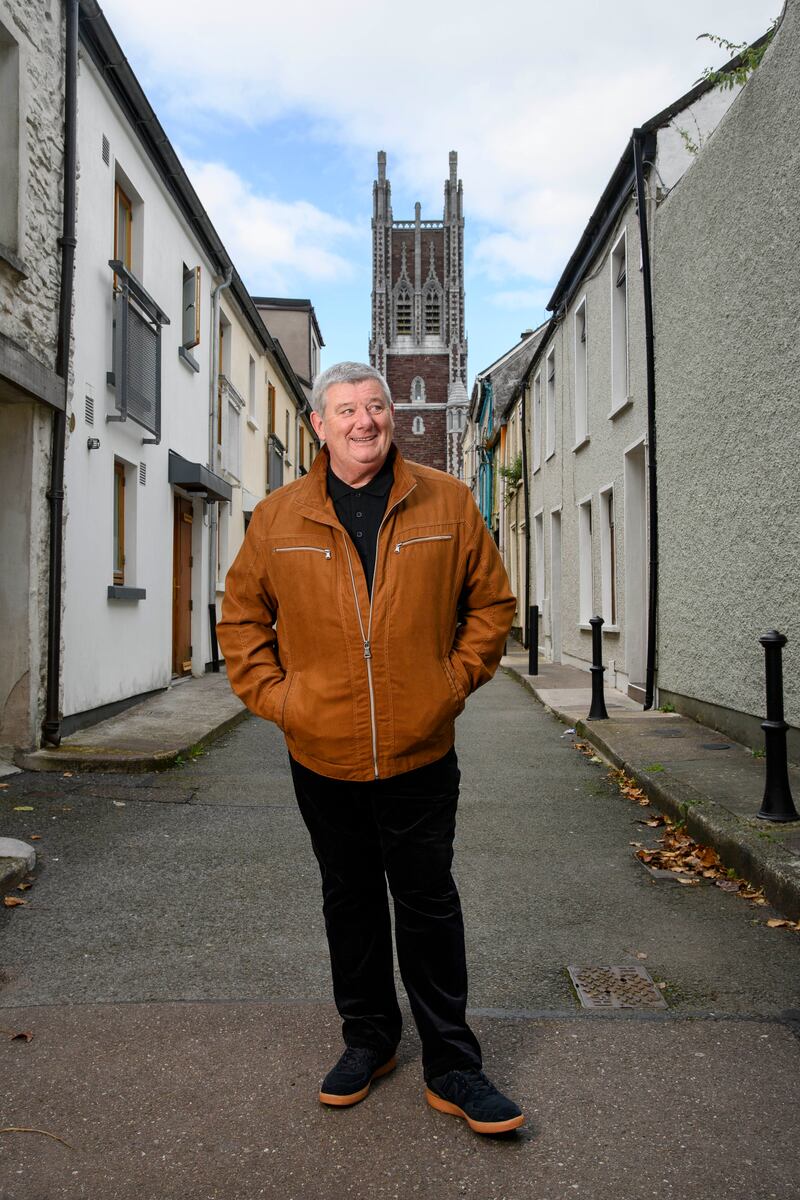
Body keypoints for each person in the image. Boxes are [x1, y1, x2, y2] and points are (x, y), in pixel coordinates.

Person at [217, 361, 523, 1135]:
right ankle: (370, 1040)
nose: (365, 421)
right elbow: (242, 622)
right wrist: (282, 702)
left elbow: (490, 604)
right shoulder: (278, 517)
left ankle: (453, 1063)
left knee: (427, 903)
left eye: (376, 407)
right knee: (348, 900)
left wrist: (450, 684)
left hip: (421, 751)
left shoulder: (448, 502)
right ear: (318, 425)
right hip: (322, 753)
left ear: (392, 415)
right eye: (346, 410)